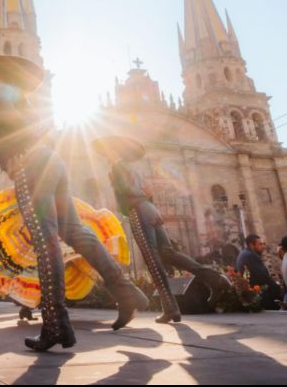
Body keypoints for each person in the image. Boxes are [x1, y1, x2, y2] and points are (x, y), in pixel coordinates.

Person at [0, 55, 148, 352]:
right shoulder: (20, 96)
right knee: (76, 232)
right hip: (51, 161)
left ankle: (55, 324)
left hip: (29, 165)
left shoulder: (0, 91)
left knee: (44, 238)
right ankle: (124, 290)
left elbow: (12, 127)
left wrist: (16, 149)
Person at [95, 136, 232, 324]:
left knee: (152, 261)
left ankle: (171, 308)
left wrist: (128, 195)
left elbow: (127, 190)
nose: (104, 156)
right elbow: (147, 192)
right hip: (151, 210)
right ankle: (216, 279)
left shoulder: (117, 167)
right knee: (169, 254)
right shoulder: (134, 169)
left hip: (138, 212)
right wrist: (146, 198)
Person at [236, 234, 282, 310]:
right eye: (260, 244)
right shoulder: (250, 256)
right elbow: (263, 276)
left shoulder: (244, 254)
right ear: (251, 245)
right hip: (261, 296)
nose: (262, 247)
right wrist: (277, 288)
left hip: (253, 296)